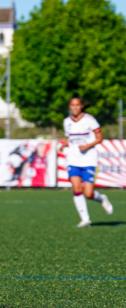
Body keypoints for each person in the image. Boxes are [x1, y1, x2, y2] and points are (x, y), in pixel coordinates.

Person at [59, 96, 113, 227]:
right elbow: (70, 137)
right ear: (69, 107)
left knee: (88, 193)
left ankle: (101, 198)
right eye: (72, 105)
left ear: (82, 106)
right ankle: (85, 219)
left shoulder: (90, 120)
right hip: (73, 160)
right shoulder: (67, 121)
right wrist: (64, 145)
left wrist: (87, 146)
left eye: (78, 105)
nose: (75, 107)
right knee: (77, 189)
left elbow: (100, 137)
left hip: (89, 160)